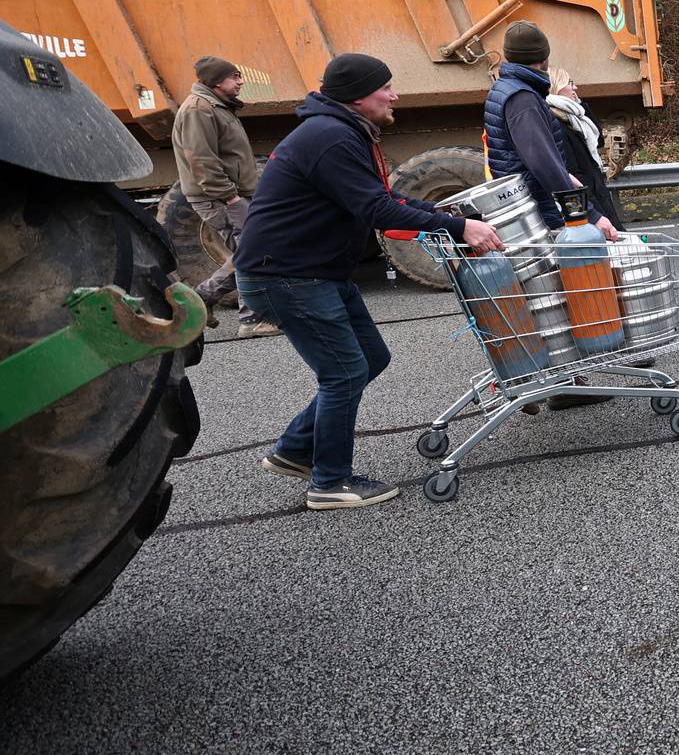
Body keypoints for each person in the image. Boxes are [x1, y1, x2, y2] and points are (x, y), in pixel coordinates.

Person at [234, 52, 503, 511]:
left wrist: (438, 213)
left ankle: (295, 450)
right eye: (386, 87)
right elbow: (376, 211)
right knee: (343, 373)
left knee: (370, 358)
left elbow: (380, 195)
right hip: (289, 276)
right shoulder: (331, 137)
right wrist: (459, 229)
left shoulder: (339, 130)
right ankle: (330, 483)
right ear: (360, 96)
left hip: (312, 271)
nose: (394, 94)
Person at [483, 21, 618, 241]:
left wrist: (564, 175)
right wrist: (589, 215)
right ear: (544, 56)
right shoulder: (523, 99)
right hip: (539, 206)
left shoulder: (507, 89)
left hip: (530, 204)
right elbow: (543, 163)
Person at [171, 55, 277, 336]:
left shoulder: (217, 106)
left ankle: (202, 299)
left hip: (230, 194)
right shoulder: (199, 110)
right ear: (217, 82)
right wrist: (231, 198)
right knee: (252, 252)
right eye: (235, 77)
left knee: (249, 250)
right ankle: (252, 320)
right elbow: (201, 161)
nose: (241, 82)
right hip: (219, 197)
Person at [546, 68, 624, 229]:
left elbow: (598, 141)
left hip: (595, 194)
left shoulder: (573, 117)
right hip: (591, 200)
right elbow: (574, 174)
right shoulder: (557, 124)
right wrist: (595, 214)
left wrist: (580, 105)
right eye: (569, 83)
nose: (575, 88)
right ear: (556, 87)